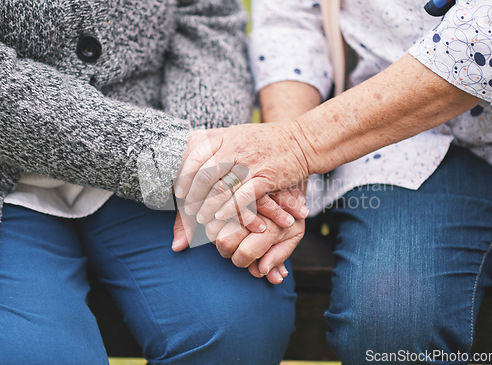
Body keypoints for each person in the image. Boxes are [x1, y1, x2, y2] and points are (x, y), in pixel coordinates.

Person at [174, 0, 492, 363]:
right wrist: (286, 174)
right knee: (389, 321)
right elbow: (291, 18)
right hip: (395, 135)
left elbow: (485, 38)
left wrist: (297, 146)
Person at [0, 1, 303, 363]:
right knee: (35, 354)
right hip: (143, 154)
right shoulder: (176, 157)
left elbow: (207, 18)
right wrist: (184, 159)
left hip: (163, 155)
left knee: (236, 324)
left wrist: (207, 146)